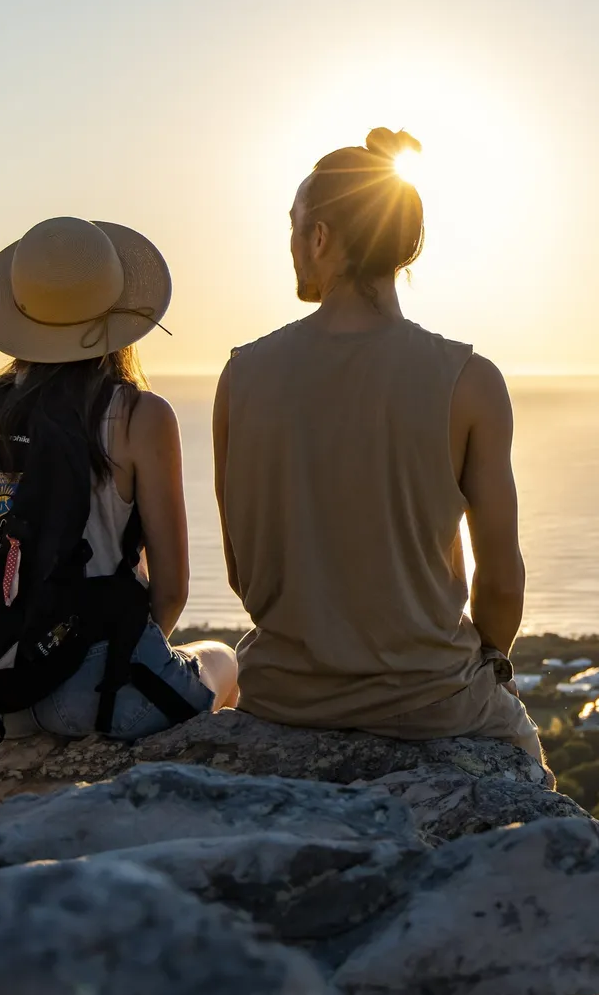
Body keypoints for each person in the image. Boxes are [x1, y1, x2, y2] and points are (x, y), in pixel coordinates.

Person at [214, 128, 543, 762]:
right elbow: (500, 578)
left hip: (282, 697)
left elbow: (242, 569)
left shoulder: (242, 376)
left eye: (294, 227)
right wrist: (492, 659)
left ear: (319, 237)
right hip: (433, 704)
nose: (291, 246)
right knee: (527, 769)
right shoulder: (470, 382)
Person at [0, 215, 238, 740]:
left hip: (1, 698)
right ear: (117, 312)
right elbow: (171, 590)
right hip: (100, 700)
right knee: (224, 658)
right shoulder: (139, 415)